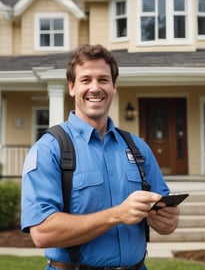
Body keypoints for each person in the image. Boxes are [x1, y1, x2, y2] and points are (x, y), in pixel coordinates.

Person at [21, 44, 180, 270]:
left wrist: (168, 221)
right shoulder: (50, 149)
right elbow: (42, 232)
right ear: (72, 87)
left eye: (103, 80)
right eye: (86, 80)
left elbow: (165, 218)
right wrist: (117, 215)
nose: (95, 88)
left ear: (114, 87)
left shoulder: (138, 148)